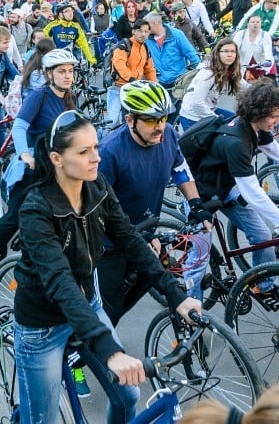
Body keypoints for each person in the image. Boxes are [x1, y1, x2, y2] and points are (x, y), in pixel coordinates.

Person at [12, 109, 203, 424]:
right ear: (57, 158)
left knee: (127, 396)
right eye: (84, 152)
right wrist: (111, 352)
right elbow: (59, 281)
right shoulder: (36, 210)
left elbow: (130, 239)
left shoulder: (97, 186)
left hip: (88, 303)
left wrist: (176, 295)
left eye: (96, 148)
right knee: (41, 419)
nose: (96, 157)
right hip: (43, 324)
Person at [193, 81, 279, 308]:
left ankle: (264, 287)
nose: (278, 121)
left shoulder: (257, 128)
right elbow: (253, 192)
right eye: (274, 116)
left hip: (226, 187)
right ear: (257, 112)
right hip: (202, 195)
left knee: (264, 238)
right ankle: (187, 320)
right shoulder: (236, 141)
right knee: (197, 261)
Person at [98, 81, 208, 326]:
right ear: (130, 120)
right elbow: (101, 210)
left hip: (145, 231)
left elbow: (179, 168)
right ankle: (77, 360)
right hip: (110, 242)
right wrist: (137, 236)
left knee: (149, 282)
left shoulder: (167, 133)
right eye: (150, 120)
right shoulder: (109, 152)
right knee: (110, 313)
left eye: (163, 118)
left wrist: (196, 203)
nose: (159, 126)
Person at [0, 49, 79, 277]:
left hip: (58, 167)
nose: (67, 76)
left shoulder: (71, 98)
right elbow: (20, 126)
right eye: (62, 71)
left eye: (70, 71)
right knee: (17, 215)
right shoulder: (39, 96)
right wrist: (25, 155)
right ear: (49, 74)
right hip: (35, 165)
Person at [179, 39, 247, 130]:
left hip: (209, 110)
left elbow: (245, 87)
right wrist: (217, 119)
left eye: (233, 51)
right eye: (225, 51)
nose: (230, 55)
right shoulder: (208, 73)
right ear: (218, 53)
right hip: (193, 117)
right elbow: (197, 103)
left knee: (239, 122)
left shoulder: (230, 72)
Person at [142, 11, 201, 89]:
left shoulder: (177, 35)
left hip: (180, 81)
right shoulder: (146, 39)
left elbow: (191, 54)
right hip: (160, 82)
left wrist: (200, 74)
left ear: (154, 23)